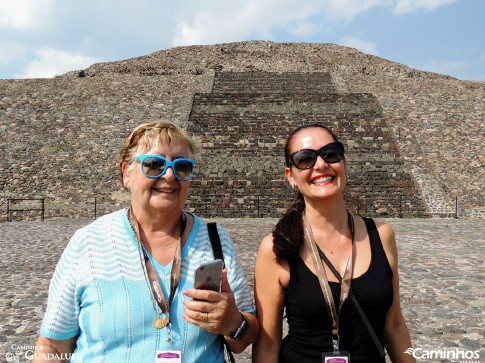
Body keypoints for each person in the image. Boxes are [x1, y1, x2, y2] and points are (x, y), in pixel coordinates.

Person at [34, 121, 259, 362]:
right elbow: (53, 347)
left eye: (182, 167)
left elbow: (245, 338)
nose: (170, 175)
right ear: (126, 174)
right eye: (154, 165)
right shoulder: (88, 243)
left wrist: (233, 322)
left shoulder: (215, 240)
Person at [252, 124, 415, 363]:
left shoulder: (381, 235)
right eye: (304, 159)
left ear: (344, 164)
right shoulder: (277, 247)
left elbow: (394, 325)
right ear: (291, 176)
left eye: (331, 154)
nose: (320, 165)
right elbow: (267, 345)